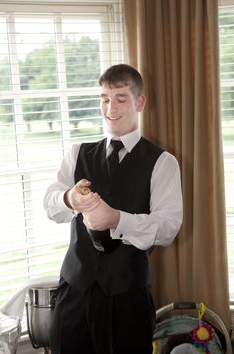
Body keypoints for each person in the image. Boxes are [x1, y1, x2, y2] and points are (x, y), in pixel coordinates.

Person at [43, 63, 183, 354]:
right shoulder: (77, 153)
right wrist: (69, 198)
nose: (111, 108)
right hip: (74, 294)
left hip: (127, 301)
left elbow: (168, 227)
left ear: (139, 102)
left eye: (121, 98)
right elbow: (50, 205)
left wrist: (116, 219)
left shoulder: (163, 162)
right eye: (105, 98)